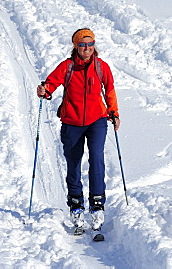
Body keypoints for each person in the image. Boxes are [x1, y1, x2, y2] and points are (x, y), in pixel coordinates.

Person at [37, 28, 120, 231]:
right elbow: (50, 84)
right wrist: (44, 91)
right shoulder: (67, 67)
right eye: (83, 45)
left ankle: (97, 204)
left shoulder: (101, 67)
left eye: (90, 44)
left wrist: (114, 113)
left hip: (97, 121)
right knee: (73, 164)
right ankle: (76, 204)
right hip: (71, 122)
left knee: (97, 159)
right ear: (76, 46)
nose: (87, 48)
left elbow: (109, 90)